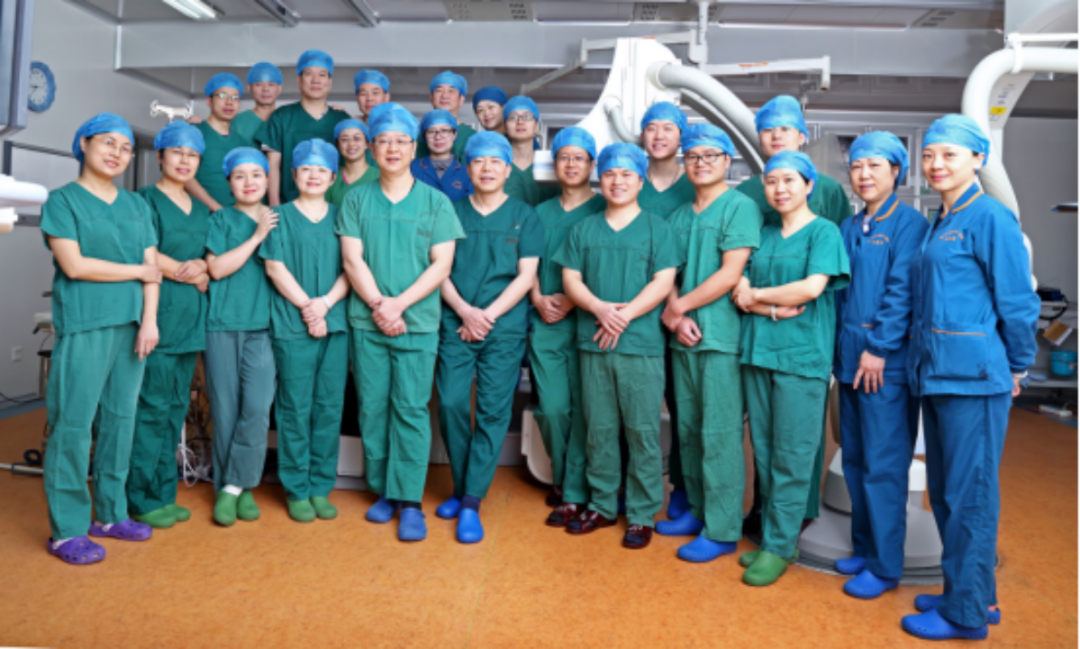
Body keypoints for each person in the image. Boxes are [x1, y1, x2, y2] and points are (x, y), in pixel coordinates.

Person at [900, 115, 1038, 641]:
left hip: (974, 379)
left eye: (949, 155)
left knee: (970, 497)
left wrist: (1018, 365)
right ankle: (975, 593)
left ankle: (966, 616)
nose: (936, 164)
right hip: (939, 374)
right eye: (929, 154)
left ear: (978, 159)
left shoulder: (991, 218)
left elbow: (1018, 302)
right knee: (947, 493)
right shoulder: (943, 217)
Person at [338, 103, 464, 542]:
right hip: (367, 322)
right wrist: (379, 305)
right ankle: (385, 491)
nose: (392, 148)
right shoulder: (356, 199)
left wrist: (399, 306)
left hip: (418, 322)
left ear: (414, 148)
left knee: (410, 409)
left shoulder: (436, 202)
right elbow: (352, 260)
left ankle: (410, 500)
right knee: (373, 408)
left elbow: (441, 264)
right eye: (383, 141)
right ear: (372, 148)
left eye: (401, 141)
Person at [41, 113, 161, 564]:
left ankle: (111, 514)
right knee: (72, 425)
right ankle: (67, 530)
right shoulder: (63, 201)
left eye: (126, 148)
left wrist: (150, 321)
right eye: (108, 143)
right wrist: (137, 271)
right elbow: (75, 266)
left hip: (132, 326)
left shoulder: (137, 205)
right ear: (84, 144)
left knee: (120, 421)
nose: (117, 153)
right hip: (85, 324)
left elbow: (154, 270)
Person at [735, 94, 854, 534]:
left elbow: (822, 277)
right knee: (766, 438)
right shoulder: (747, 195)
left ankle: (795, 516)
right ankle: (767, 512)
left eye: (785, 128)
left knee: (798, 437)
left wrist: (762, 298)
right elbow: (738, 270)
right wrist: (766, 305)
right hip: (761, 336)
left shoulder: (828, 200)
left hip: (806, 333)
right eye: (767, 130)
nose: (781, 189)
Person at [557, 143, 680, 550]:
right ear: (600, 179)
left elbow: (663, 282)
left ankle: (642, 514)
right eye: (609, 173)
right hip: (594, 345)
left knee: (642, 432)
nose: (617, 181)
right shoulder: (583, 230)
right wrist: (598, 308)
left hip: (640, 347)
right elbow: (571, 280)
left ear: (641, 181)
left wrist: (623, 317)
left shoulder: (658, 229)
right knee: (599, 429)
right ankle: (602, 505)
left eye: (627, 174)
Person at [659, 124, 762, 562]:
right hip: (683, 337)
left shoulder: (739, 207)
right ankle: (698, 513)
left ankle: (721, 529)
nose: (700, 163)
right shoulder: (678, 217)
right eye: (693, 156)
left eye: (710, 156)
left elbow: (730, 273)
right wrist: (675, 313)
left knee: (719, 433)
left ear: (727, 161)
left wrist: (678, 308)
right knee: (688, 431)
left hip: (720, 337)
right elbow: (666, 273)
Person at [435, 132, 544, 544]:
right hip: (456, 321)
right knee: (449, 402)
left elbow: (526, 276)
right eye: (479, 161)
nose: (487, 168)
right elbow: (439, 270)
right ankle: (463, 485)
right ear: (467, 168)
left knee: (493, 411)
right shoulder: (450, 212)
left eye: (495, 161)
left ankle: (471, 500)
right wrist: (465, 311)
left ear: (507, 169)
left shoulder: (524, 215)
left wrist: (487, 316)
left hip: (503, 327)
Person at [832, 132, 927, 598]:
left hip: (883, 365)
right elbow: (837, 293)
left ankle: (886, 566)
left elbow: (902, 291)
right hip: (849, 361)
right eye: (857, 166)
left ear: (896, 171)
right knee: (854, 458)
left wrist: (880, 347)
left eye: (874, 165)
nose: (864, 174)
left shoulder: (910, 225)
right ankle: (865, 549)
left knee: (884, 465)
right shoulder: (849, 227)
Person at [259, 138, 351, 523]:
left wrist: (324, 305)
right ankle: (296, 488)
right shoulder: (276, 216)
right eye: (306, 169)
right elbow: (275, 267)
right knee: (295, 407)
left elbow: (353, 266)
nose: (314, 176)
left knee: (329, 407)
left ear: (333, 177)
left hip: (335, 321)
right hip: (291, 322)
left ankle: (320, 486)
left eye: (321, 170)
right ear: (293, 174)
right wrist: (308, 308)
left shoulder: (344, 217)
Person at [126, 121, 212, 530]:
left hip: (190, 321)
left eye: (192, 155)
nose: (184, 160)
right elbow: (146, 254)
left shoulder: (201, 210)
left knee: (176, 410)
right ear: (159, 155)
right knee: (151, 410)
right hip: (158, 317)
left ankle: (163, 494)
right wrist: (188, 273)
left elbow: (210, 260)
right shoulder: (144, 201)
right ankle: (139, 498)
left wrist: (204, 271)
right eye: (177, 152)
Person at [530, 127, 606, 527]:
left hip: (590, 323)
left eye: (580, 157)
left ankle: (579, 491)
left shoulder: (605, 209)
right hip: (546, 323)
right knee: (554, 408)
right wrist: (538, 298)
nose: (571, 164)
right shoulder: (540, 214)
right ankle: (566, 480)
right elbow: (527, 264)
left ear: (592, 165)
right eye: (564, 157)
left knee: (589, 411)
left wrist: (573, 299)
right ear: (554, 163)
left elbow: (611, 268)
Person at [204, 147, 279, 527]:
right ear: (229, 182)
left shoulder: (279, 219)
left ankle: (236, 483)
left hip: (262, 326)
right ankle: (234, 487)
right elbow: (217, 269)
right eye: (239, 175)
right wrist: (257, 236)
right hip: (221, 324)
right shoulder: (220, 220)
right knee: (225, 409)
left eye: (256, 174)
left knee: (258, 407)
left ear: (268, 179)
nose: (249, 182)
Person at [637, 100, 696, 522]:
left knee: (682, 405)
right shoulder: (627, 181)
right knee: (631, 405)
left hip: (679, 309)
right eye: (651, 128)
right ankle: (629, 484)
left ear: (682, 136)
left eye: (668, 128)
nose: (658, 135)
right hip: (634, 308)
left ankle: (682, 485)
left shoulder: (695, 184)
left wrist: (676, 305)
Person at [255, 50, 349, 206]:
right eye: (309, 74)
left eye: (322, 74)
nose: (315, 80)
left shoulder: (342, 120)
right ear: (299, 80)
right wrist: (275, 207)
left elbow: (350, 167)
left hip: (333, 207)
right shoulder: (281, 117)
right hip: (289, 205)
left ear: (330, 81)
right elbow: (273, 166)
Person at [188, 73, 252, 212]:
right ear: (208, 101)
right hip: (201, 216)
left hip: (236, 217)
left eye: (235, 97)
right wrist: (218, 210)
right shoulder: (194, 132)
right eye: (222, 96)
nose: (229, 102)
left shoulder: (243, 143)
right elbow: (185, 177)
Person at [502, 95, 558, 207]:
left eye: (527, 116)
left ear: (536, 126)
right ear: (505, 127)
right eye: (513, 117)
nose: (520, 122)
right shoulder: (497, 165)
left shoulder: (550, 165)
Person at [411, 109, 474, 202]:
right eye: (431, 131)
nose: (438, 137)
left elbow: (470, 207)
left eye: (444, 130)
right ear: (424, 136)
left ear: (454, 134)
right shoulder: (410, 170)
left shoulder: (467, 174)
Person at [415, 70, 476, 161]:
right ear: (431, 97)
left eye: (451, 91)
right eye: (439, 90)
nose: (444, 96)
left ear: (461, 99)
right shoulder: (415, 134)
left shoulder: (472, 137)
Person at [325, 119, 379, 206]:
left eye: (357, 138)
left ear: (367, 144)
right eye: (345, 139)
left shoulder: (381, 177)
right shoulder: (331, 180)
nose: (351, 143)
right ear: (338, 145)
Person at [234, 63, 283, 143]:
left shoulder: (286, 122)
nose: (265, 89)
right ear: (250, 88)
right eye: (259, 84)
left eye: (270, 84)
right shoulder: (237, 123)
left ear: (279, 88)